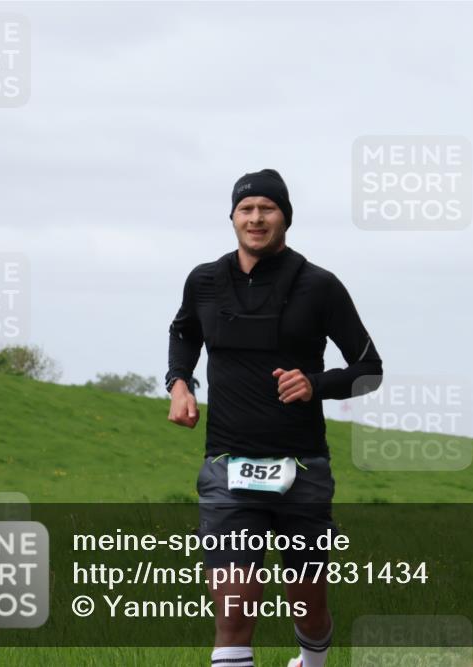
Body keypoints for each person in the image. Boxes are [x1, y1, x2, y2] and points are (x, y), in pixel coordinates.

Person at [166, 169, 383, 667]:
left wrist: (316, 383)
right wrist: (180, 383)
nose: (256, 218)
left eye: (267, 208)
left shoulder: (320, 286)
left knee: (307, 606)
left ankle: (312, 660)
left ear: (285, 216)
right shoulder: (203, 280)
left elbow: (369, 370)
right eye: (247, 209)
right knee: (234, 610)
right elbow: (183, 333)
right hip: (226, 465)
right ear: (233, 217)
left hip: (301, 468)